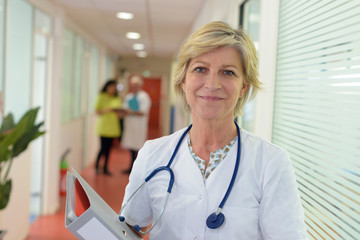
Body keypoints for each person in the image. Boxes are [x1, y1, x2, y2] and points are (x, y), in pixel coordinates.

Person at [119, 21, 307, 239]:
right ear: (183, 81)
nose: (212, 83)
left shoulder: (271, 162)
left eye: (227, 72)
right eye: (200, 69)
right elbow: (127, 229)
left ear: (243, 87)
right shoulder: (152, 155)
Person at [121, 75, 151, 174]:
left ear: (139, 85)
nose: (133, 87)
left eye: (135, 85)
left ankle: (138, 169)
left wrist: (131, 112)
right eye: (132, 85)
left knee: (138, 148)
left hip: (139, 126)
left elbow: (143, 111)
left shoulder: (144, 96)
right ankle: (131, 167)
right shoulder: (129, 96)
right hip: (130, 125)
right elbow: (124, 109)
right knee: (130, 148)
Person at [94, 79, 123, 176]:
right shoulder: (101, 97)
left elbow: (119, 112)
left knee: (109, 149)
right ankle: (97, 166)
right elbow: (97, 111)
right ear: (107, 87)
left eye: (114, 88)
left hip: (113, 126)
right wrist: (108, 110)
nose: (113, 89)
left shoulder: (116, 98)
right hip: (103, 126)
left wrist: (120, 112)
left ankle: (105, 167)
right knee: (102, 148)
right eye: (111, 87)